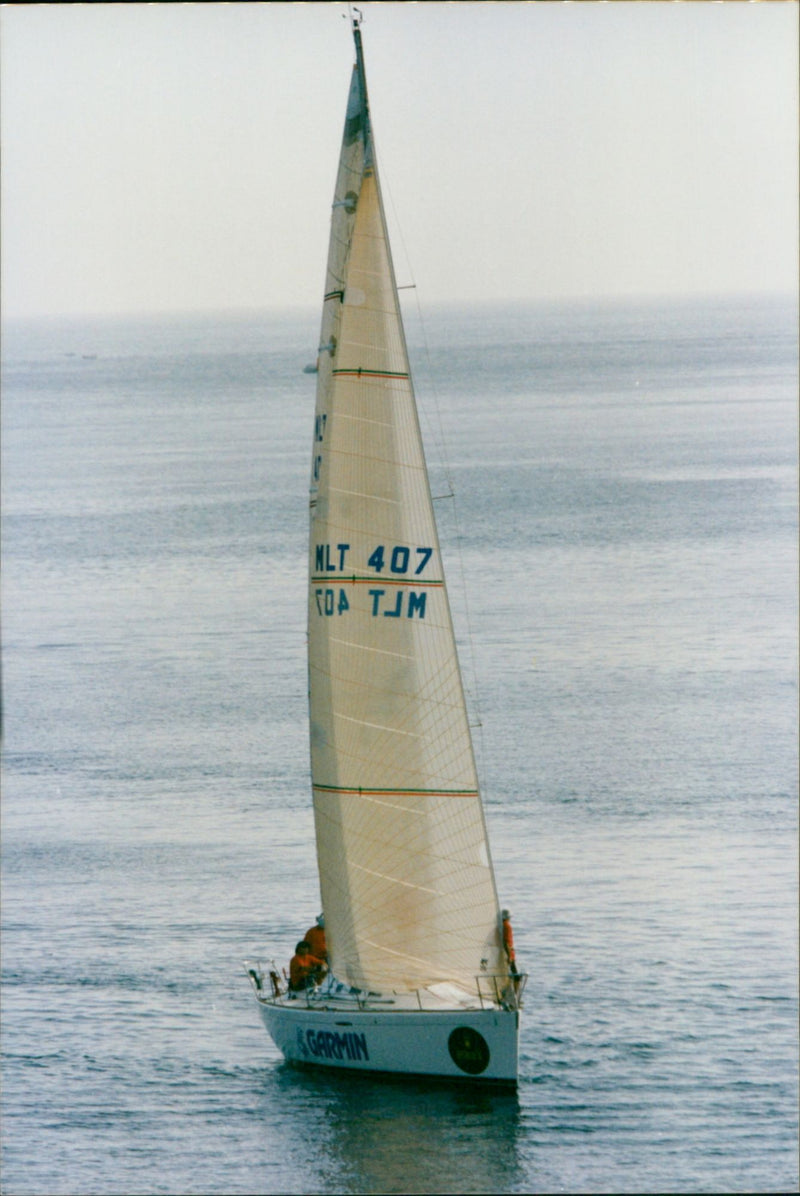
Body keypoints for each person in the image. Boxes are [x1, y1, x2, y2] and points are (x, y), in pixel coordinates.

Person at [501, 909, 519, 976]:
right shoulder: (507, 926)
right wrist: (509, 957)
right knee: (516, 976)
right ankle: (517, 986)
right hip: (509, 953)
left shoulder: (500, 925)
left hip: (503, 953)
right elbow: (506, 942)